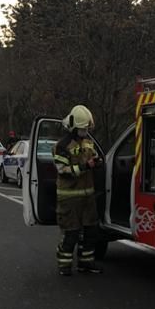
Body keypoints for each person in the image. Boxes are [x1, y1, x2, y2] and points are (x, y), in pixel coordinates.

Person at [52, 105, 103, 276]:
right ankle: (64, 264)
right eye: (83, 128)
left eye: (87, 128)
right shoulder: (62, 145)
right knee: (71, 233)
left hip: (88, 197)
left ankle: (86, 262)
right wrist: (84, 166)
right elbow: (62, 170)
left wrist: (97, 162)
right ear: (74, 127)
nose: (85, 131)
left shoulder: (88, 141)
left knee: (91, 232)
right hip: (69, 199)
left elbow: (93, 157)